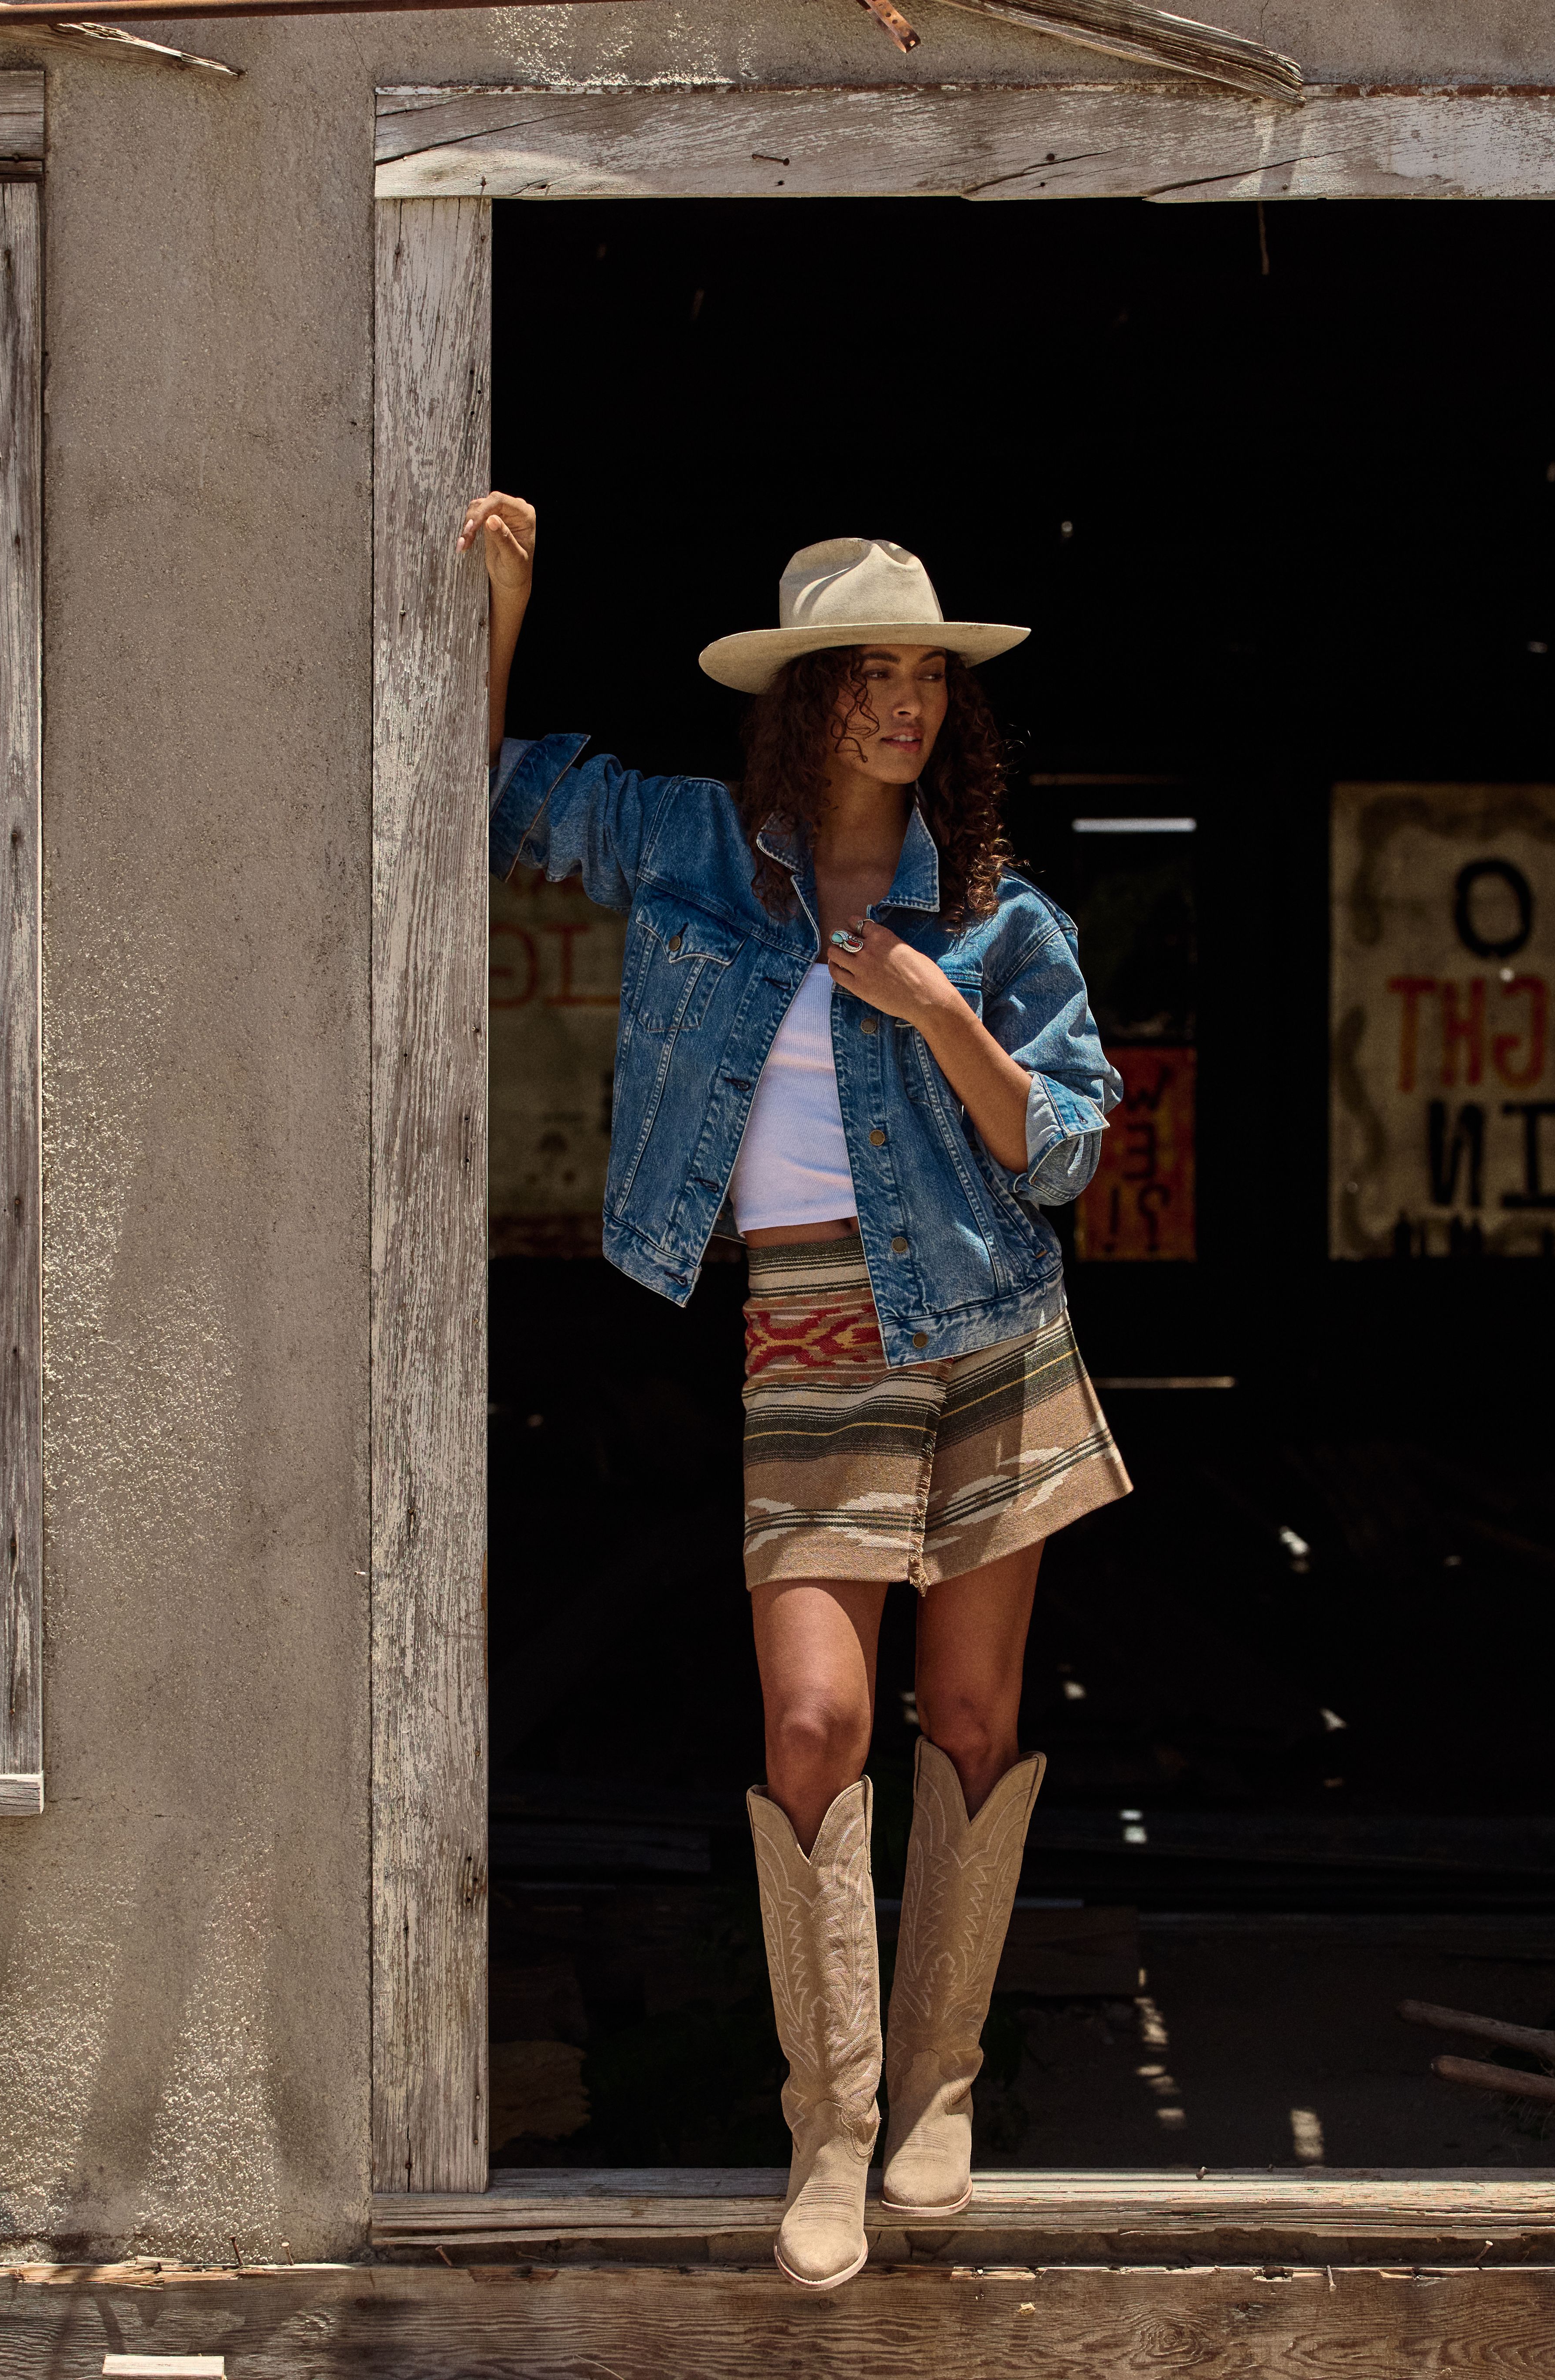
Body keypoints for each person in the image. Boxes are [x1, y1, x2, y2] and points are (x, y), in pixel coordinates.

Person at [459, 493, 1134, 2289]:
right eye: (872, 677)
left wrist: (938, 1011)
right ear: (801, 698)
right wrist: (506, 603)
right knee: (815, 1725)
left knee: (971, 1725)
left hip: (992, 1321)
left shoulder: (998, 916)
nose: (906, 704)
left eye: (929, 678)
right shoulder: (691, 851)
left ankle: (931, 2094)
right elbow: (492, 790)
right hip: (810, 1339)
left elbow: (1061, 1151)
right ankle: (823, 2123)